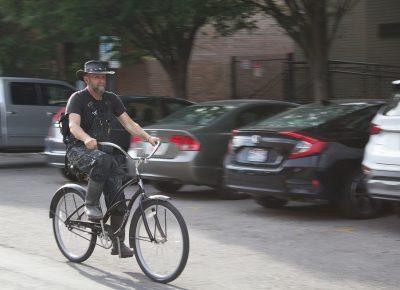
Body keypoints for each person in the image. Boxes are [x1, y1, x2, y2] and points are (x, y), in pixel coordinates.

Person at [65, 60, 159, 258]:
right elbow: (73, 125)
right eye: (97, 76)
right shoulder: (78, 98)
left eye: (104, 77)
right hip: (78, 149)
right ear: (86, 78)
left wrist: (148, 137)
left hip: (102, 153)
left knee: (118, 197)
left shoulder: (112, 99)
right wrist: (86, 138)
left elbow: (129, 124)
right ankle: (91, 204)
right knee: (103, 160)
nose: (102, 80)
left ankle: (118, 242)